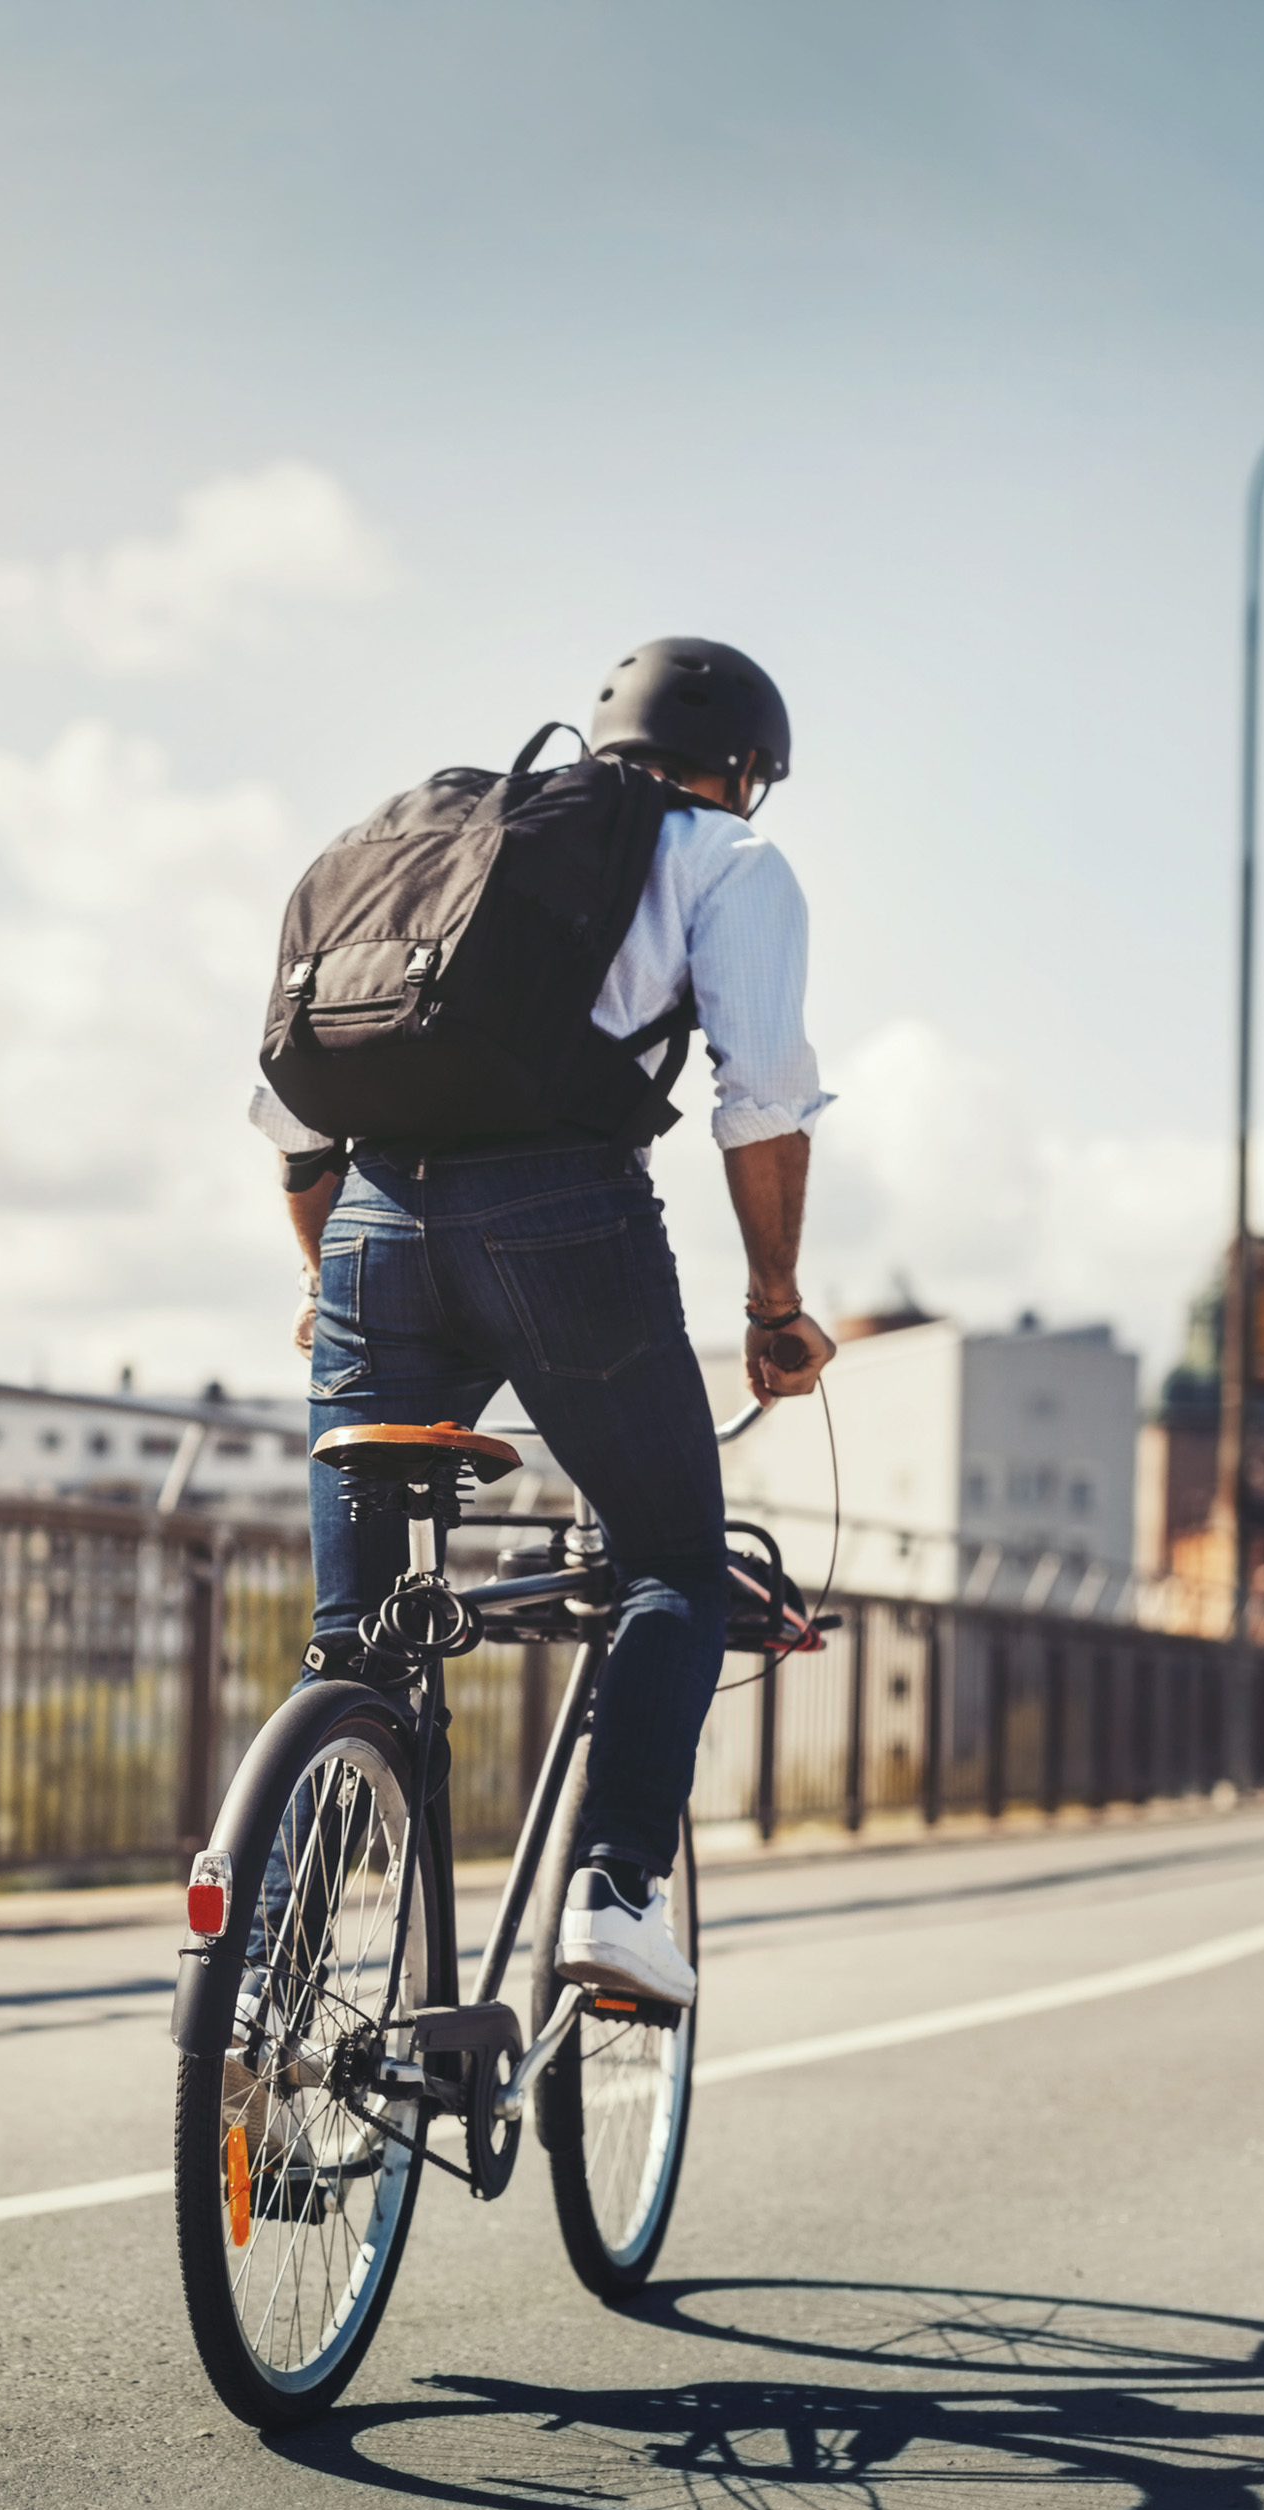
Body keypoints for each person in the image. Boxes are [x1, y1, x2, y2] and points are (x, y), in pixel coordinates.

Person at [249, 637, 835, 2010]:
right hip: (565, 1226)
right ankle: (615, 1893)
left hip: (374, 1228)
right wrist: (776, 1307)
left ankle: (265, 1978)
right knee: (673, 1567)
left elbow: (292, 1126)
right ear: (744, 770)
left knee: (359, 1639)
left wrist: (318, 1279)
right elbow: (762, 1098)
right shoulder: (728, 861)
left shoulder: (432, 849)